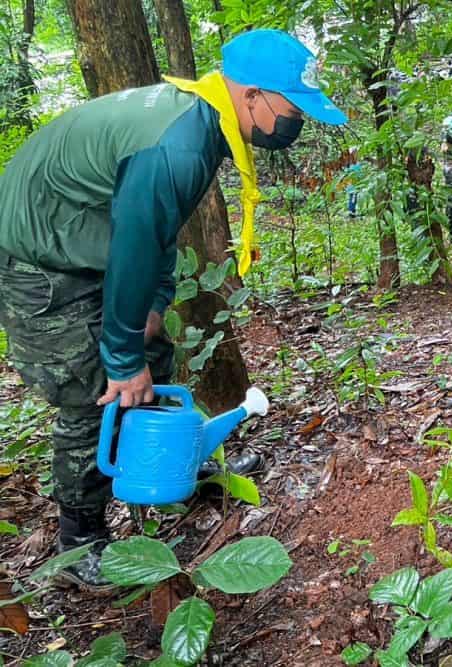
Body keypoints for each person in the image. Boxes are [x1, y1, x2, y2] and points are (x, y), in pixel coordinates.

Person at [0, 29, 348, 590]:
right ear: (252, 96)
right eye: (292, 107)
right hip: (39, 257)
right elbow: (136, 238)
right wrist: (119, 356)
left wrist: (154, 304)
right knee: (92, 391)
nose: (296, 123)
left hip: (93, 243)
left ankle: (163, 467)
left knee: (151, 352)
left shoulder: (204, 122)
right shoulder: (180, 143)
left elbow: (155, 229)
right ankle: (79, 544)